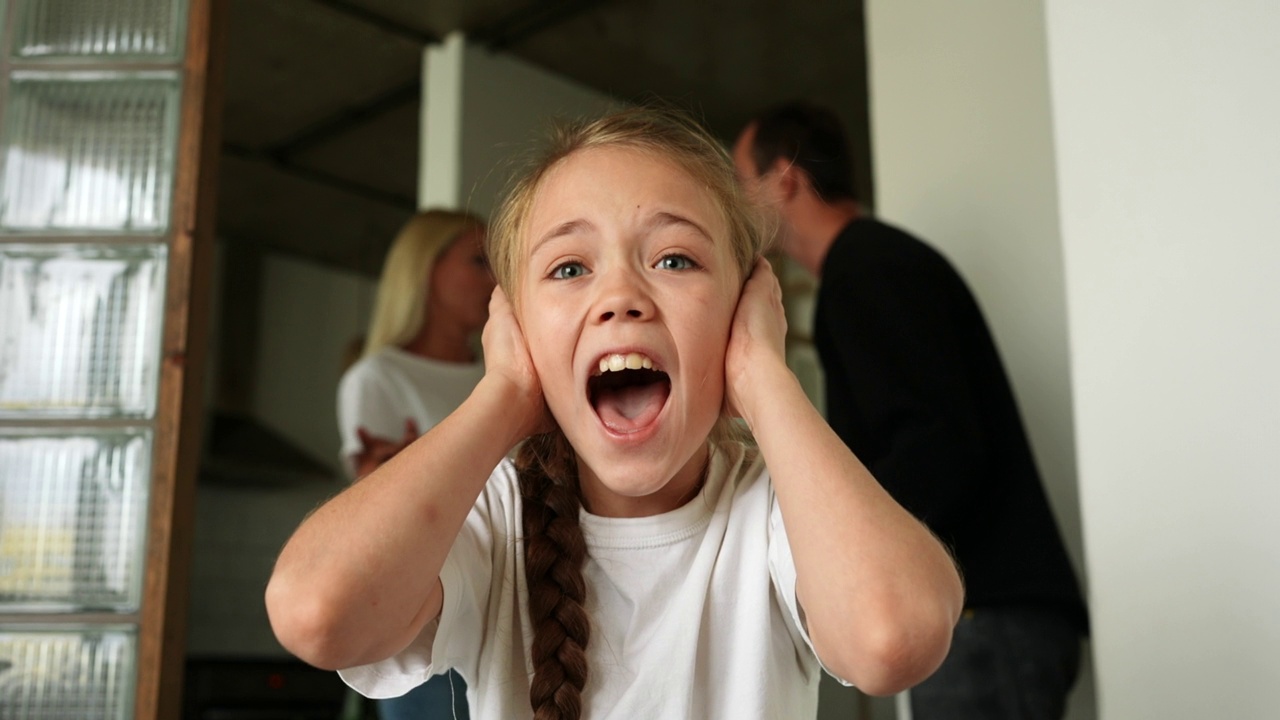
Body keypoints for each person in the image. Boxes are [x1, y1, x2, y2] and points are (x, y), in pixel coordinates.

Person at [267, 106, 963, 720]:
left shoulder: (777, 512)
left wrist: (762, 375)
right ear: (515, 324)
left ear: (745, 307)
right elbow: (316, 614)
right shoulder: (496, 519)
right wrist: (505, 394)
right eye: (569, 269)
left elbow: (893, 639)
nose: (621, 296)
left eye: (675, 259)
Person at [732, 101, 1089, 720]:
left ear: (784, 179)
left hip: (984, 619)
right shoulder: (876, 265)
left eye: (742, 184)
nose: (737, 205)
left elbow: (940, 447)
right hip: (994, 619)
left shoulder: (866, 274)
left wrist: (849, 554)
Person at [335, 209, 494, 719]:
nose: (495, 278)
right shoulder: (377, 378)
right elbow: (377, 514)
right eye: (478, 260)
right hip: (428, 609)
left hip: (510, 601)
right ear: (425, 268)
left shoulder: (504, 374)